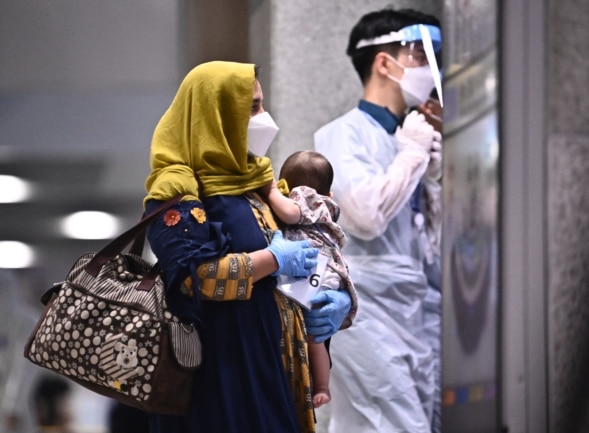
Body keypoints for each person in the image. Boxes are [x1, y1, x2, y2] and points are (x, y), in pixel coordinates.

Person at [142, 61, 353, 433]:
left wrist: (336, 305)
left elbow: (310, 248)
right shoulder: (176, 191)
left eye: (262, 104)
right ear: (216, 115)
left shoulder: (257, 184)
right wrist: (273, 259)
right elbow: (195, 277)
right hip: (221, 376)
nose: (264, 117)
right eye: (253, 107)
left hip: (273, 365)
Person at [313, 7, 444, 433]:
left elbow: (432, 244)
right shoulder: (340, 135)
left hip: (414, 308)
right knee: (402, 426)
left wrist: (436, 181)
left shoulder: (409, 136)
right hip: (364, 309)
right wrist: (412, 155)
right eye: (422, 58)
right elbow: (365, 216)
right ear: (384, 63)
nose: (432, 70)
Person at [262, 150, 358, 408]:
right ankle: (323, 386)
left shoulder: (304, 197)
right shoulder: (327, 205)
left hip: (313, 273)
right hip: (323, 272)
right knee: (316, 340)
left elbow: (291, 214)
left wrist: (270, 191)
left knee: (313, 336)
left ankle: (323, 386)